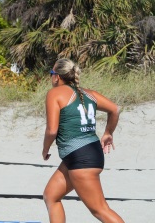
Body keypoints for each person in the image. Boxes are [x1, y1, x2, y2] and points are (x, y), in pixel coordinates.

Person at [42, 58, 124, 223]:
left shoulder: (54, 93)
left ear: (57, 76)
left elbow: (52, 130)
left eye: (51, 74)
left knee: (100, 210)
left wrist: (45, 149)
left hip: (81, 158)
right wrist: (108, 132)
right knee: (51, 196)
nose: (51, 77)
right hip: (85, 154)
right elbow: (114, 109)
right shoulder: (89, 94)